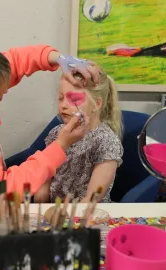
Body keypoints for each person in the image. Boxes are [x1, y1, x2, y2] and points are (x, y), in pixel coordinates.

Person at [0, 40, 100, 203]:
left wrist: (60, 58)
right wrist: (60, 146)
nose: (5, 90)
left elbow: (17, 60)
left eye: (74, 99)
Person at [34, 69, 123, 203]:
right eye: (60, 98)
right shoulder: (56, 133)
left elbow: (92, 198)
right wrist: (41, 200)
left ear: (97, 104)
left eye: (73, 99)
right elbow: (45, 180)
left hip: (86, 215)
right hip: (55, 211)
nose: (63, 106)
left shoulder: (106, 141)